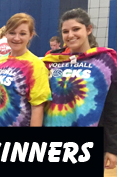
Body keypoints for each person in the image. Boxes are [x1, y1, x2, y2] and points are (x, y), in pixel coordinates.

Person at [41, 8, 117, 169]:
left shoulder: (106, 61)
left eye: (76, 29)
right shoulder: (52, 61)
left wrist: (112, 147)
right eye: (65, 31)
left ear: (88, 29)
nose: (70, 35)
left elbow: (113, 108)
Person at [0, 13, 51, 127]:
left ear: (30, 35)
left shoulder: (36, 65)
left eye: (22, 33)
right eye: (12, 33)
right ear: (6, 34)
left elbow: (38, 108)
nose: (16, 38)